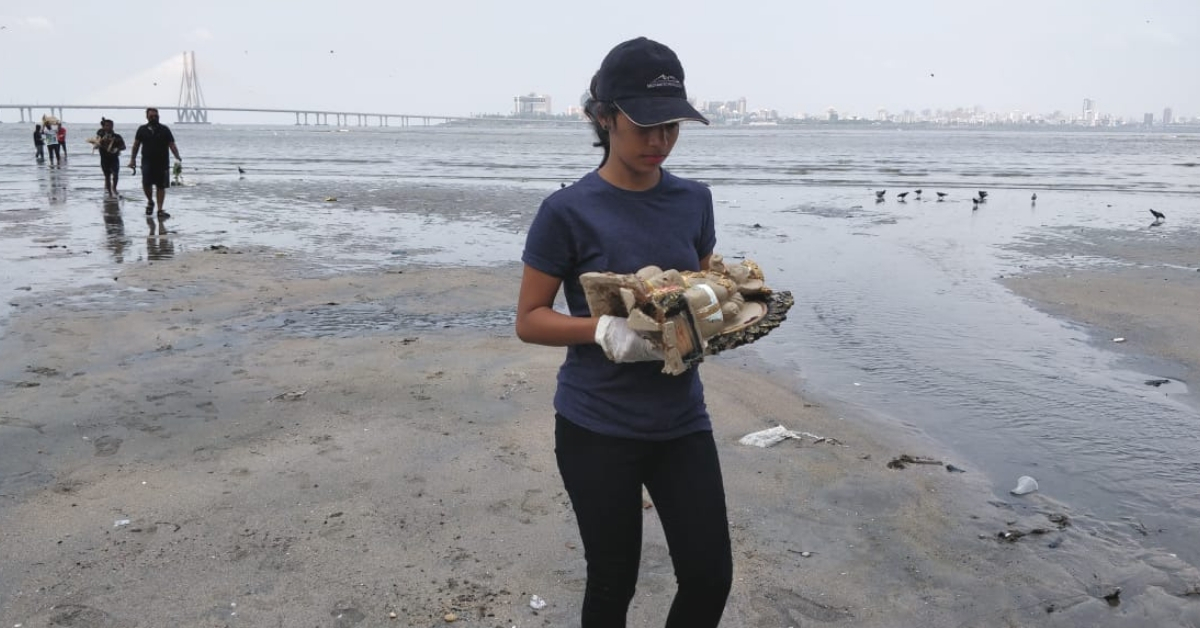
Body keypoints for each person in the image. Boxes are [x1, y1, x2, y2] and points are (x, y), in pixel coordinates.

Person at [515, 37, 731, 627]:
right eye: (644, 127)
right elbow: (530, 319)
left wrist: (729, 312)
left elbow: (702, 292)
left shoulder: (695, 201)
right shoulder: (566, 211)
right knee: (614, 583)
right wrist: (603, 330)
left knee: (710, 579)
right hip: (596, 426)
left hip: (682, 420)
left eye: (672, 127)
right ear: (603, 117)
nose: (660, 141)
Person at [127, 107, 181, 218]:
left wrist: (177, 156)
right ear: (147, 117)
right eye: (151, 116)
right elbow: (136, 145)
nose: (154, 118)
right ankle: (150, 201)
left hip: (162, 162)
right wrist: (132, 159)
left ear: (159, 117)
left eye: (156, 116)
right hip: (147, 162)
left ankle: (160, 210)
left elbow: (172, 144)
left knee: (161, 186)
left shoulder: (165, 129)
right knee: (146, 184)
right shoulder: (142, 129)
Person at [95, 118, 126, 198]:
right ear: (104, 126)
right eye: (106, 125)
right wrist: (97, 145)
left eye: (110, 125)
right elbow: (96, 143)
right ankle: (110, 193)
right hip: (104, 159)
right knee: (107, 176)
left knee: (115, 174)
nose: (108, 127)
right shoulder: (100, 136)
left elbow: (123, 146)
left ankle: (114, 188)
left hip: (114, 159)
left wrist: (117, 149)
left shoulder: (117, 136)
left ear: (112, 126)